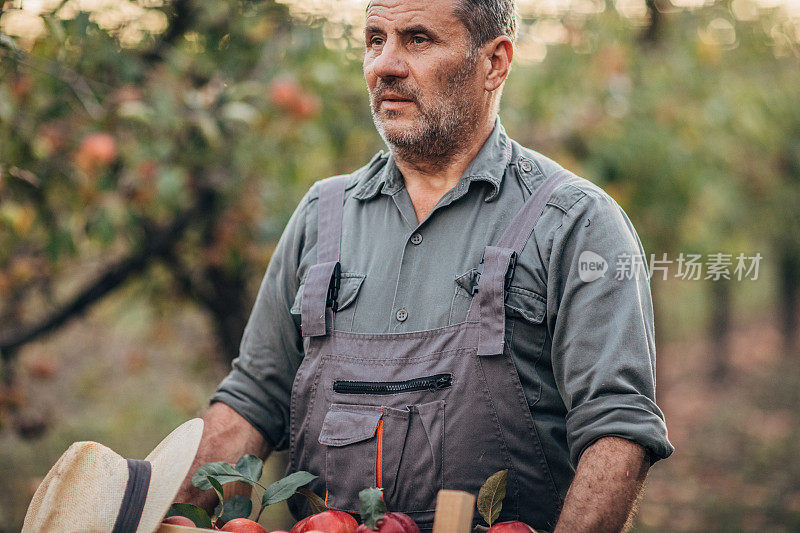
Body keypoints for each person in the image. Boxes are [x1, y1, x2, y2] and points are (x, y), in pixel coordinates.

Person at [175, 0, 673, 531]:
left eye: (417, 39)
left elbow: (616, 430)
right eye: (374, 39)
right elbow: (252, 400)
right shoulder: (322, 217)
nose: (384, 65)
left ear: (494, 63)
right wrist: (164, 511)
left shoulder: (576, 223)